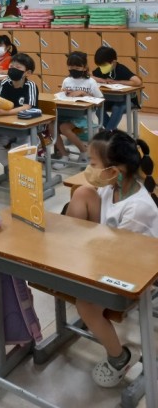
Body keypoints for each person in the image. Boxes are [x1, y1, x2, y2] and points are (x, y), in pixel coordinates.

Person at [66, 130, 158, 387]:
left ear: (114, 171)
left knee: (85, 304)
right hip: (112, 250)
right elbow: (107, 238)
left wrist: (87, 255)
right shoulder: (113, 187)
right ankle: (66, 253)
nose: (89, 168)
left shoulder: (138, 209)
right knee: (83, 192)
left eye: (93, 163)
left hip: (134, 269)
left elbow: (118, 256)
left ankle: (120, 358)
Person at [0, 53, 38, 168]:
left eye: (18, 67)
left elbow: (27, 107)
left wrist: (6, 112)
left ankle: (19, 169)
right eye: (11, 66)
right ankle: (11, 167)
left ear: (28, 73)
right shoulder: (5, 83)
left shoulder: (30, 85)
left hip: (26, 129)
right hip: (8, 126)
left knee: (19, 147)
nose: (13, 69)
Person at [53, 51, 103, 165]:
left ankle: (84, 151)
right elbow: (62, 97)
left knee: (63, 127)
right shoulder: (67, 80)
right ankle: (64, 155)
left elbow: (100, 102)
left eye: (77, 67)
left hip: (84, 121)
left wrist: (84, 93)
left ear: (84, 67)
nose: (73, 69)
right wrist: (65, 93)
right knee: (51, 125)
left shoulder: (90, 82)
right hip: (67, 115)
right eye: (71, 67)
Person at [92, 47, 142, 131]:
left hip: (127, 101)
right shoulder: (101, 69)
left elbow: (137, 81)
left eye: (104, 65)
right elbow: (89, 76)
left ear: (113, 62)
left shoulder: (121, 69)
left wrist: (117, 82)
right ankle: (112, 132)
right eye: (99, 65)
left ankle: (108, 132)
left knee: (117, 107)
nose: (101, 68)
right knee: (98, 108)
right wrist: (101, 80)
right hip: (109, 100)